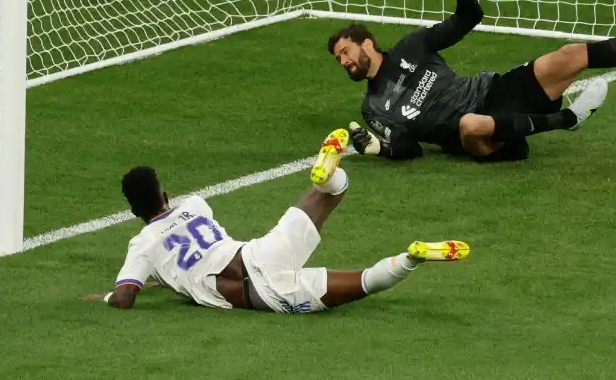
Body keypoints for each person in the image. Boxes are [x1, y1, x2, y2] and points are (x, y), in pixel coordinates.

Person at [328, 0, 616, 162]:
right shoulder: (372, 107)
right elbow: (410, 147)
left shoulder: (413, 46)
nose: (344, 61)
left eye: (345, 51)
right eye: (339, 59)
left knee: (570, 54)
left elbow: (470, 17)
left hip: (495, 92)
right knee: (469, 123)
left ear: (367, 43)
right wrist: (378, 147)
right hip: (476, 140)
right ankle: (568, 120)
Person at [86, 130, 469, 313]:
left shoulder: (142, 246)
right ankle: (326, 174)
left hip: (266, 294)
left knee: (364, 283)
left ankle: (412, 258)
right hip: (261, 252)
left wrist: (111, 294)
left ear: (134, 212)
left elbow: (124, 298)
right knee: (331, 193)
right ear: (166, 195)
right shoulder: (196, 206)